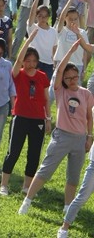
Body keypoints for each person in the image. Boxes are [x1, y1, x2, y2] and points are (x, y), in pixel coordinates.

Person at [18, 39, 94, 215]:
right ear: (64, 81)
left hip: (80, 139)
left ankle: (68, 206)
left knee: (73, 177)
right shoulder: (61, 91)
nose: (72, 80)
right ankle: (27, 200)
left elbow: (89, 117)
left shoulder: (86, 94)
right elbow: (59, 70)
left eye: (75, 76)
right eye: (68, 78)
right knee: (45, 170)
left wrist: (89, 137)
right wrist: (70, 51)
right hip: (62, 136)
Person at [0, 29, 51, 196]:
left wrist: (48, 118)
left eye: (34, 61)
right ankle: (4, 185)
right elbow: (18, 59)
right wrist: (28, 42)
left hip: (37, 119)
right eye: (27, 60)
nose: (30, 63)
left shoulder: (43, 76)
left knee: (34, 153)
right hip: (20, 116)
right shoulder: (18, 74)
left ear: (37, 62)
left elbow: (46, 99)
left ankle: (27, 186)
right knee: (13, 151)